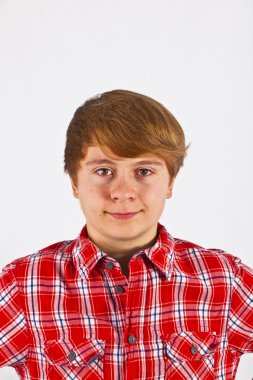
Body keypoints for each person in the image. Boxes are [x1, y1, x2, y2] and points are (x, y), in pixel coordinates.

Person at [0, 89, 252, 380]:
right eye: (104, 170)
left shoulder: (224, 280)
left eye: (143, 171)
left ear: (170, 183)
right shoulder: (23, 286)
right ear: (75, 183)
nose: (122, 192)